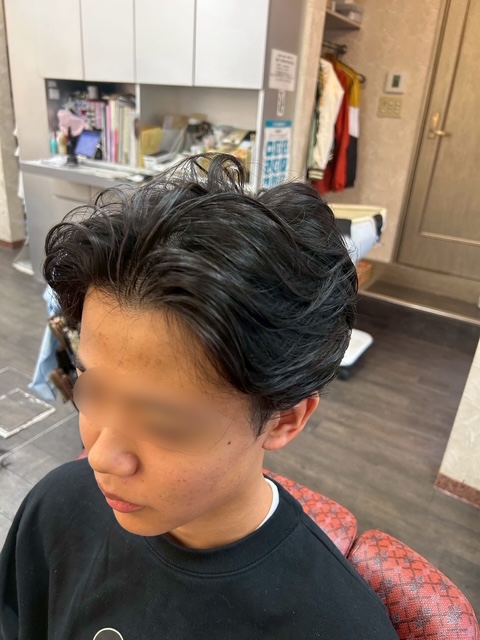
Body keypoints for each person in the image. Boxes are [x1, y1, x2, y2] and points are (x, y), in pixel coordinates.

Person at [0, 155, 397, 639]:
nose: (100, 456)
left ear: (285, 419)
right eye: (93, 390)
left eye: (163, 424)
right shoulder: (56, 508)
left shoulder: (337, 627)